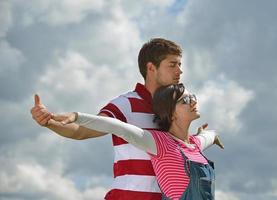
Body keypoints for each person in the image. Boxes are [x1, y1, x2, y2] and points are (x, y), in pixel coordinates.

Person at [31, 38, 185, 199]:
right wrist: (49, 122)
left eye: (180, 65)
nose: (179, 71)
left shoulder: (178, 107)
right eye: (173, 65)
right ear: (151, 68)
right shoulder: (126, 103)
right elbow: (82, 131)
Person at [51, 83, 224, 200]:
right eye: (185, 100)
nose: (193, 101)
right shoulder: (159, 143)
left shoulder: (195, 144)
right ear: (171, 113)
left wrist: (210, 136)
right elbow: (116, 127)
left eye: (192, 96)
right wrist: (77, 116)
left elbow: (211, 135)